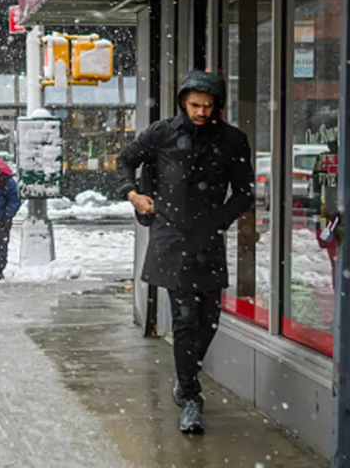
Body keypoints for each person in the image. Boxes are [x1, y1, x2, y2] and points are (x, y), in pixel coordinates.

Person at [116, 70, 255, 434]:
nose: (201, 112)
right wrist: (133, 193)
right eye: (195, 105)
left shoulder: (233, 141)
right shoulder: (163, 133)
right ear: (182, 101)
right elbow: (125, 159)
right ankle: (191, 398)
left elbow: (245, 193)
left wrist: (218, 219)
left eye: (208, 106)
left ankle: (185, 378)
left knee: (210, 318)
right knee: (185, 319)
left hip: (208, 239)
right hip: (170, 236)